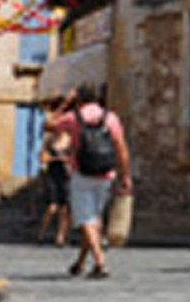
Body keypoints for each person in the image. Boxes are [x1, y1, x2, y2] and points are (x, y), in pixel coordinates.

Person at [47, 86, 131, 280]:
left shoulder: (73, 117)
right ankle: (81, 262)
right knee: (94, 219)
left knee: (86, 220)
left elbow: (50, 124)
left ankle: (100, 263)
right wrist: (125, 175)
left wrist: (65, 104)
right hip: (106, 174)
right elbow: (121, 147)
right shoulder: (110, 118)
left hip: (82, 173)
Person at [38, 128, 73, 247]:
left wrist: (67, 160)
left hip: (65, 175)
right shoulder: (50, 141)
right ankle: (42, 232)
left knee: (64, 209)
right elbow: (43, 158)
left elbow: (74, 158)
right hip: (52, 175)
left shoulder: (71, 141)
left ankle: (61, 236)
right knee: (52, 207)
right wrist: (57, 159)